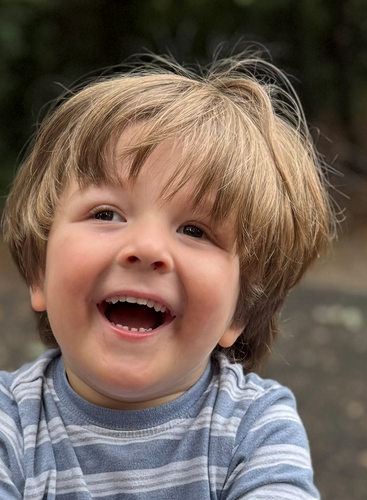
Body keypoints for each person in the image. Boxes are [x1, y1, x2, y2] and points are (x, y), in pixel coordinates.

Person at [0, 53, 336, 499]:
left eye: (195, 231)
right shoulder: (11, 424)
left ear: (240, 309)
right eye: (106, 213)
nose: (148, 249)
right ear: (39, 272)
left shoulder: (256, 427)